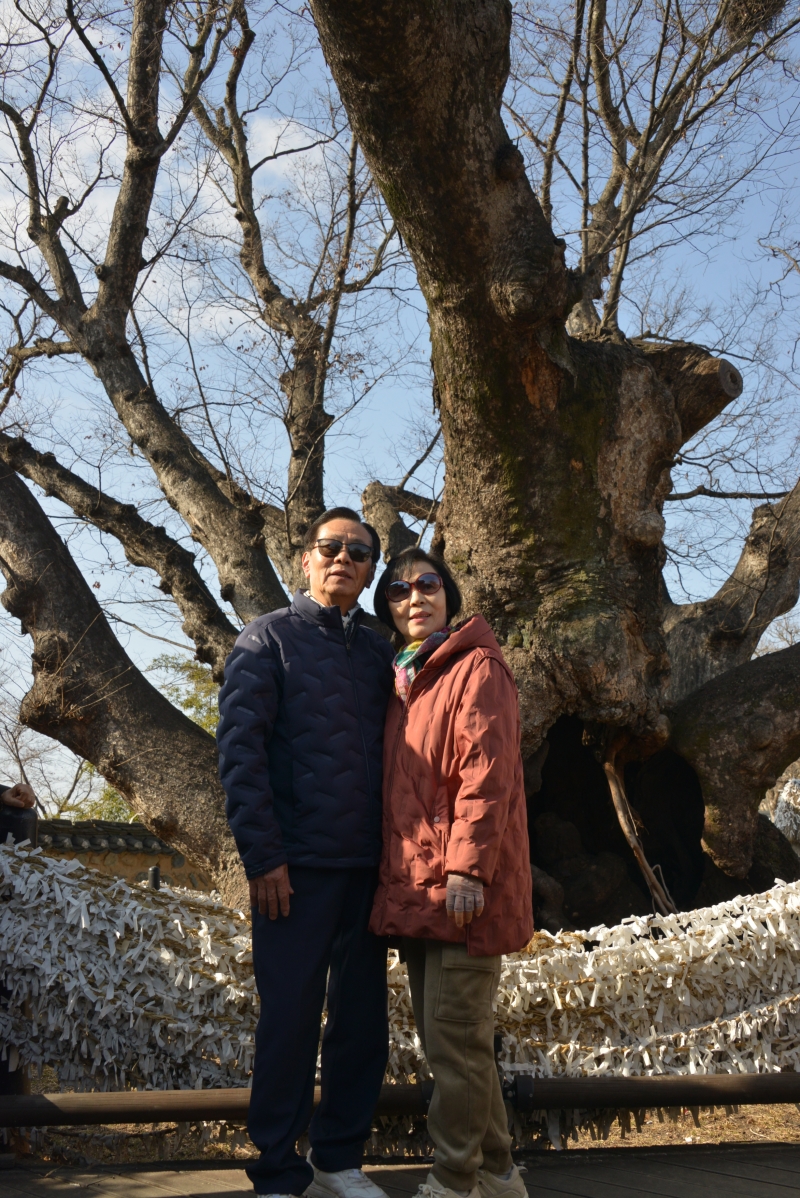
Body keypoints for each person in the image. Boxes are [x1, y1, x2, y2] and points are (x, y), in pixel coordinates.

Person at [217, 508, 395, 1198]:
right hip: (293, 870)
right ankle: (276, 1170)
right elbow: (240, 756)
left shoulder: (380, 652)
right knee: (289, 1019)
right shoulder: (267, 639)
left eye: (359, 552)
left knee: (361, 1023)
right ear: (306, 559)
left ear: (370, 571)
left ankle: (338, 1159)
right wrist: (263, 857)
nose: (343, 558)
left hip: (370, 870)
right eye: (331, 547)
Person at [370, 548, 533, 1198]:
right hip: (420, 889)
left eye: (428, 584)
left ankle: (453, 1178)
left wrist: (468, 870)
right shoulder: (408, 680)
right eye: (399, 590)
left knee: (454, 1046)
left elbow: (485, 775)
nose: (415, 597)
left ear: (449, 595)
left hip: (465, 889)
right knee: (458, 1044)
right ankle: (498, 1174)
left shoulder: (475, 667)